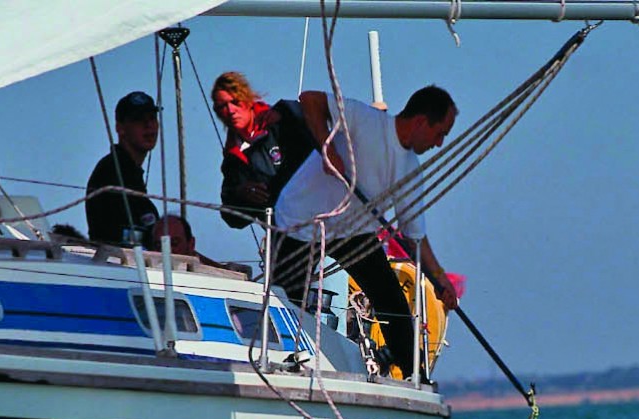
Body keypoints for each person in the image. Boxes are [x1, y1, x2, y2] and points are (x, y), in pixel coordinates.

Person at [273, 85, 460, 380]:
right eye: (441, 133)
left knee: (391, 300)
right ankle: (282, 365)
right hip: (299, 223)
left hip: (352, 231)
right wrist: (327, 148)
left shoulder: (410, 169)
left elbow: (414, 239)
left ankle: (416, 376)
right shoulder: (365, 119)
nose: (439, 144)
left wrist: (439, 281)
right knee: (288, 302)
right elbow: (309, 99)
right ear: (422, 121)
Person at [211, 71, 317, 229]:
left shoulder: (286, 117)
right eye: (222, 106)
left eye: (235, 102)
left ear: (248, 100)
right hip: (287, 235)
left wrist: (285, 112)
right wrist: (242, 195)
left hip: (325, 212)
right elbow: (233, 219)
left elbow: (321, 121)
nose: (231, 110)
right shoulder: (233, 161)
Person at [86, 91, 160, 248]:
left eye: (152, 118)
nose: (149, 125)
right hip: (119, 265)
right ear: (120, 128)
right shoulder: (112, 173)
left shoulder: (127, 171)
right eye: (139, 120)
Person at [152, 214, 253, 277]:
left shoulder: (213, 282)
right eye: (158, 245)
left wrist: (225, 269)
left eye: (174, 243)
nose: (166, 250)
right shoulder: (143, 278)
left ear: (191, 244)